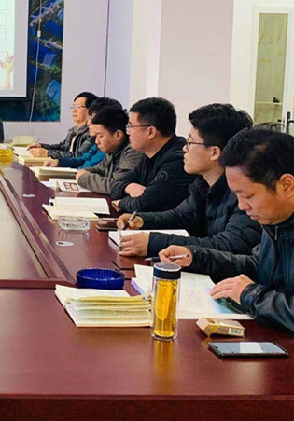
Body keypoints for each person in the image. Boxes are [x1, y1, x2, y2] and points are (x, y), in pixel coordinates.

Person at [159, 128, 294, 333]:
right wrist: (196, 258)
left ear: (287, 185)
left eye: (248, 196)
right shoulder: (275, 220)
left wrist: (250, 295)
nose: (242, 206)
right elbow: (256, 265)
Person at [116, 103, 260, 258]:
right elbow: (180, 216)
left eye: (190, 142)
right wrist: (142, 220)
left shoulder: (244, 195)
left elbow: (228, 245)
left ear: (214, 152)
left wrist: (153, 243)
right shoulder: (203, 184)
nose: (184, 148)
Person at [110, 97, 196, 212]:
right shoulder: (149, 154)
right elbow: (114, 185)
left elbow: (145, 204)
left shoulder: (177, 160)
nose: (128, 132)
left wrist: (121, 203)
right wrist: (128, 187)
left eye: (131, 126)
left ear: (150, 132)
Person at [75, 107, 143, 194]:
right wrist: (85, 171)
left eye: (101, 136)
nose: (96, 141)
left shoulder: (132, 152)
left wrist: (84, 178)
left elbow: (118, 186)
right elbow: (99, 169)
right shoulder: (112, 150)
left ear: (118, 135)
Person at [43, 97, 122, 170]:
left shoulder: (104, 144)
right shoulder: (78, 132)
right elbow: (83, 158)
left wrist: (49, 154)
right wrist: (59, 162)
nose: (89, 123)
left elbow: (87, 164)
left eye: (78, 107)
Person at [28, 92, 97, 159]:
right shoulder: (74, 130)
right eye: (73, 107)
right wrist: (42, 146)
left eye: (78, 107)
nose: (74, 110)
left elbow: (79, 156)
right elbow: (63, 147)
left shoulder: (92, 133)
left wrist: (48, 153)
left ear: (90, 110)